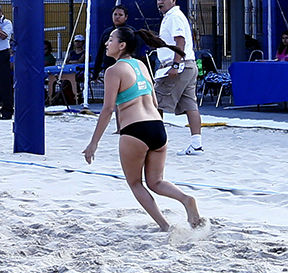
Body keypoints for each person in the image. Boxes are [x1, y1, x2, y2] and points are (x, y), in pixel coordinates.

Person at [80, 26, 206, 231]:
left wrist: (93, 143)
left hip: (135, 130)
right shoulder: (141, 66)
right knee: (156, 182)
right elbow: (155, 101)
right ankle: (185, 199)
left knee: (135, 183)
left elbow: (108, 109)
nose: (106, 43)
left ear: (122, 46)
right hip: (158, 128)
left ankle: (165, 226)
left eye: (110, 39)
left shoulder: (113, 71)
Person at [154, 0, 204, 154]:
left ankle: (155, 141)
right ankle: (197, 143)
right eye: (158, 0)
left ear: (173, 0)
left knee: (156, 102)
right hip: (189, 65)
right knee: (190, 105)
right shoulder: (171, 16)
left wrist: (175, 65)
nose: (160, 3)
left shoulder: (174, 16)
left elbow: (179, 41)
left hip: (179, 66)